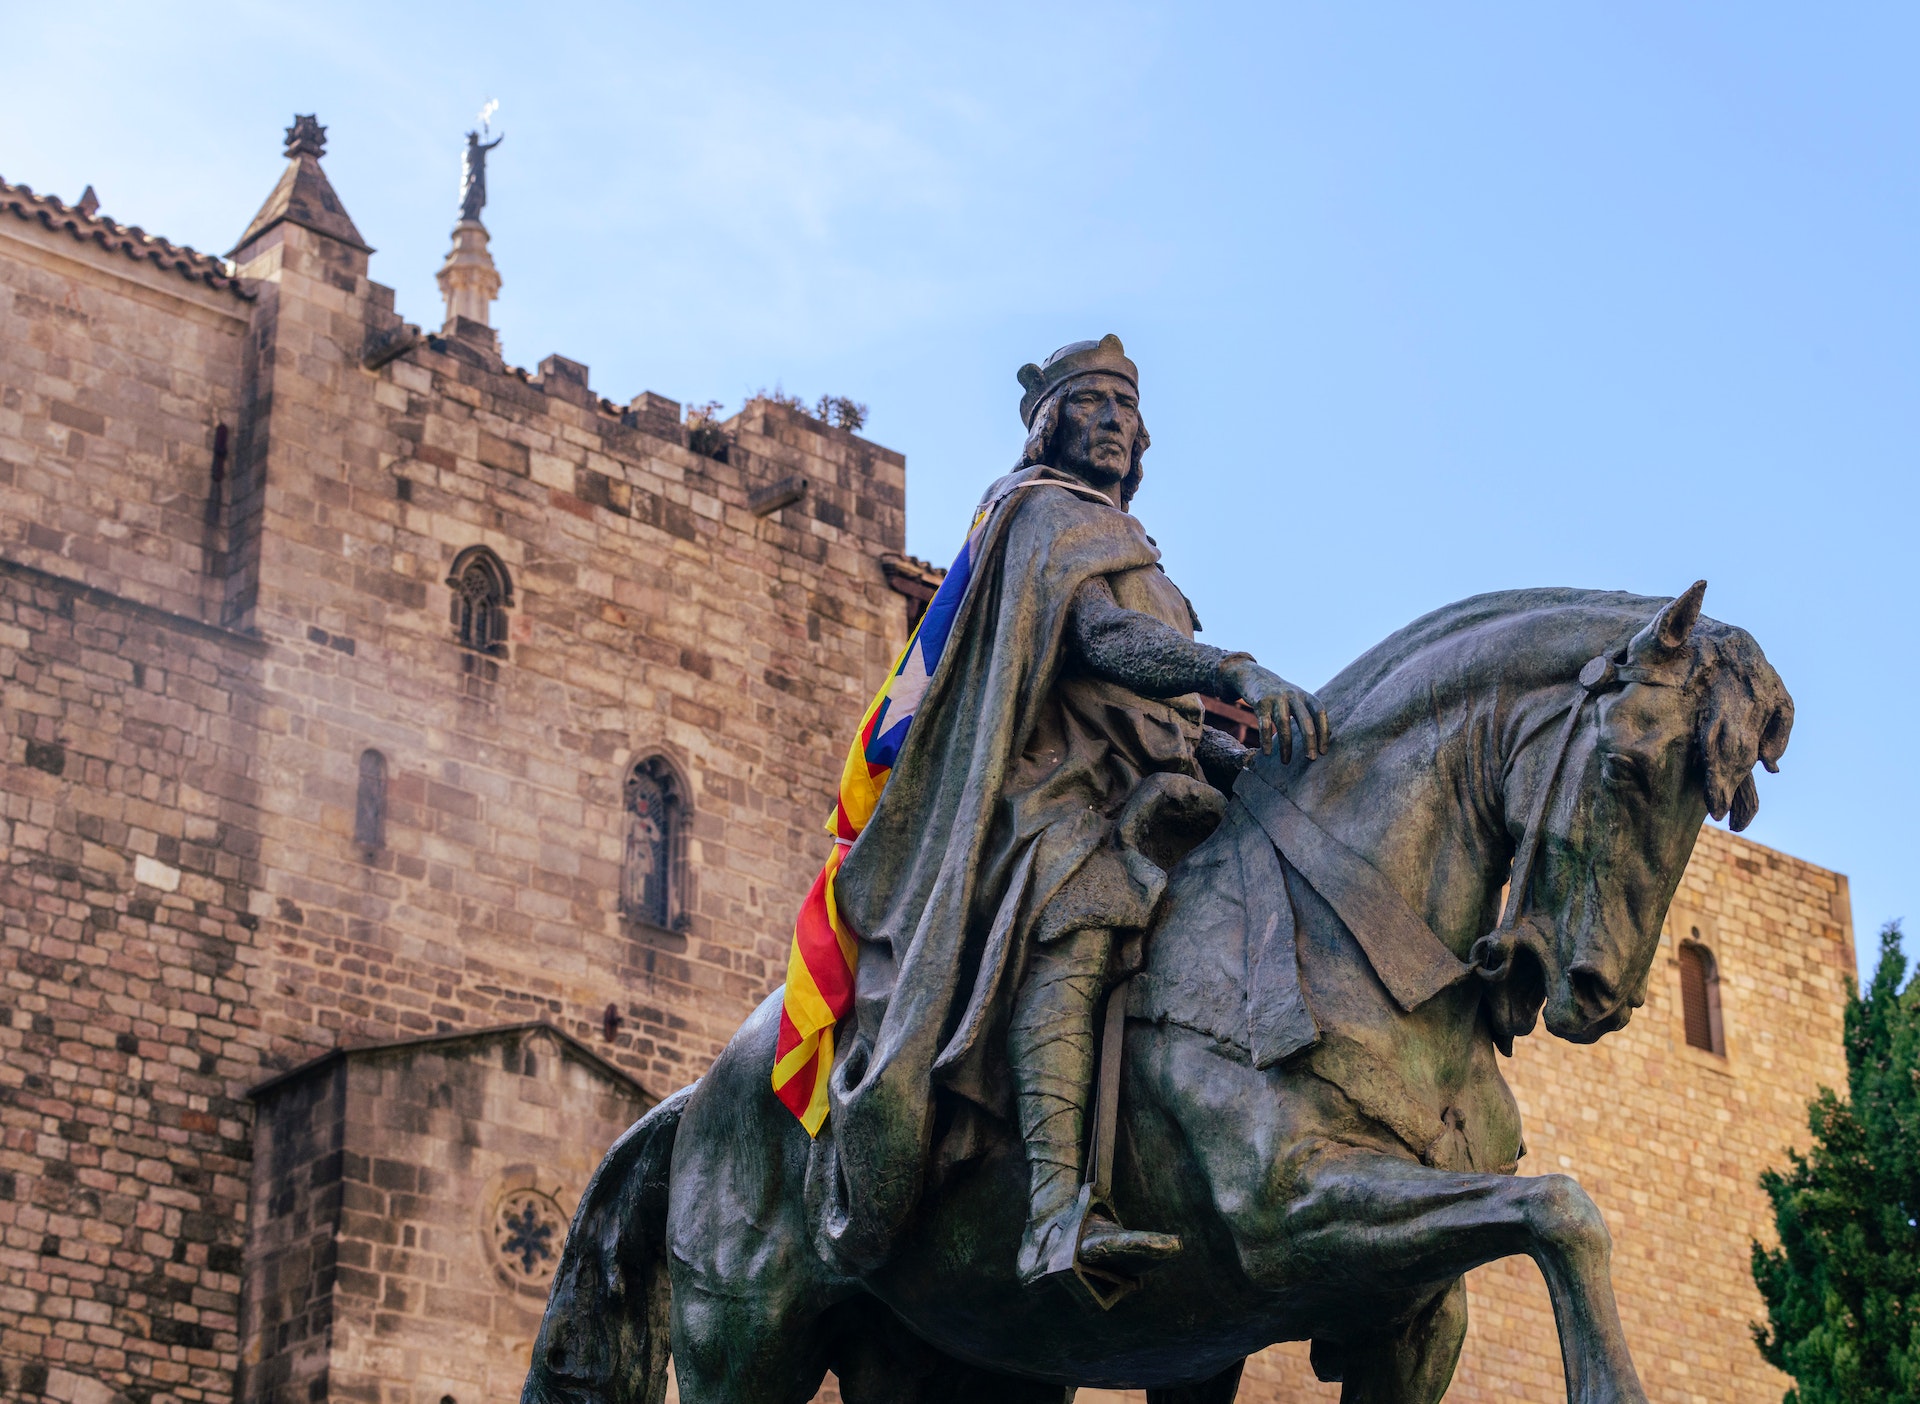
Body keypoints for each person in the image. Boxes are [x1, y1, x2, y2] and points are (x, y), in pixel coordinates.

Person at [816, 336, 1331, 1286]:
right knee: (1082, 903)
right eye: (1090, 405)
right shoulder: (1041, 516)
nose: (1111, 424)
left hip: (1155, 788)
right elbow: (1100, 640)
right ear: (1053, 422)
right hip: (1054, 793)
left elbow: (1165, 719)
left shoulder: (1146, 558)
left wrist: (1248, 760)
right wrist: (1234, 670)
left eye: (1125, 411)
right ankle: (1056, 1211)